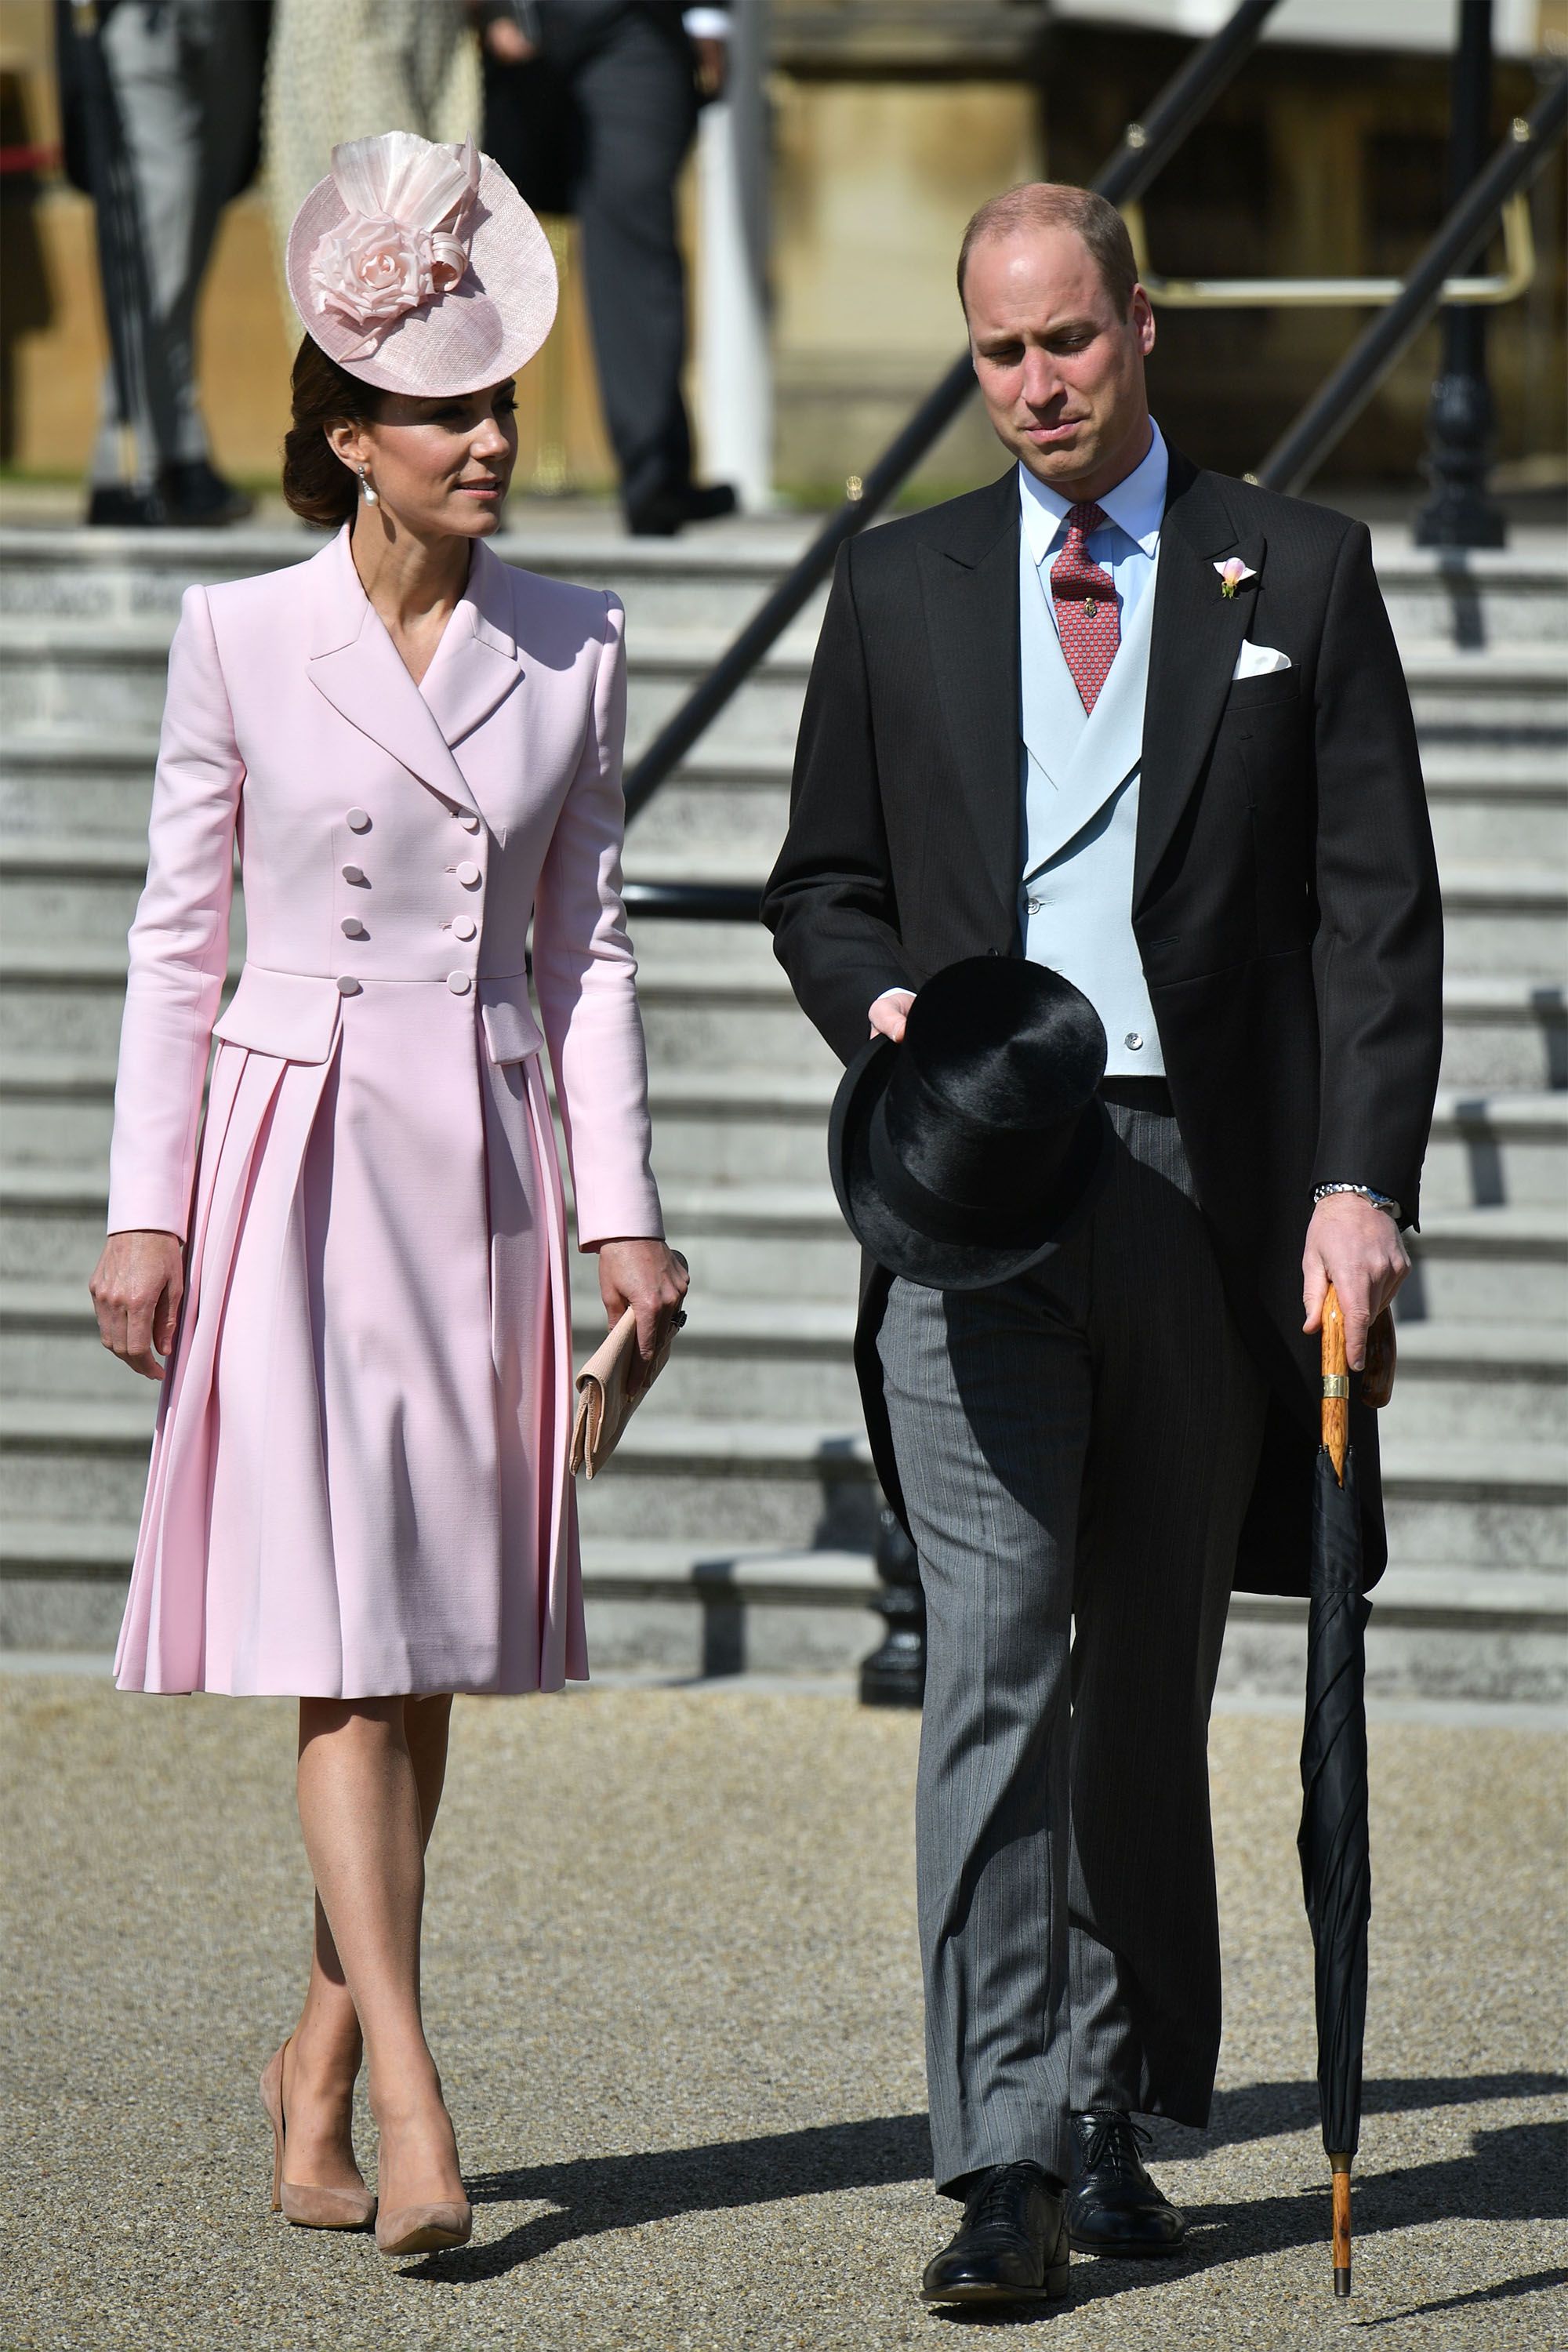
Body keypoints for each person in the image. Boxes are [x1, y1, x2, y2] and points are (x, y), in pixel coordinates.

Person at [762, 182, 1443, 2310]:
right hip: (973, 1200)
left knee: (1143, 1688)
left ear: (1139, 325)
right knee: (998, 1661)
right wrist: (893, 1018)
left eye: (1067, 341)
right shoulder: (895, 589)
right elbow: (824, 886)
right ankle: (1007, 2154)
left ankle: (1125, 2109)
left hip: (1205, 1200)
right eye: (997, 354)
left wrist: (1359, 1182)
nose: (1035, 386)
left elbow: (1372, 915)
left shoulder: (1298, 571)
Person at [89, 129, 687, 2259]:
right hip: (296, 1163)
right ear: (352, 439)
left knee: (423, 1652)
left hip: (491, 1172)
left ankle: (318, 2063)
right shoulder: (236, 634)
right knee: (348, 1655)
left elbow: (585, 948)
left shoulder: (577, 639)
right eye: (450, 411)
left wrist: (626, 1210)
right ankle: (423, 2099)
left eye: (508, 403)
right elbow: (179, 935)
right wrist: (143, 1203)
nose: (497, 438)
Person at [476, 0, 736, 534]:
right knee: (468, 240)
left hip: (636, 26)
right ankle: (453, 476)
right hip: (514, 30)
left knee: (635, 245)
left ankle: (654, 476)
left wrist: (708, 16)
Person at [55, 0, 269, 526]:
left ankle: (180, 451)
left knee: (189, 248)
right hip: (140, 19)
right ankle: (125, 465)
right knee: (157, 250)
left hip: (231, 22)